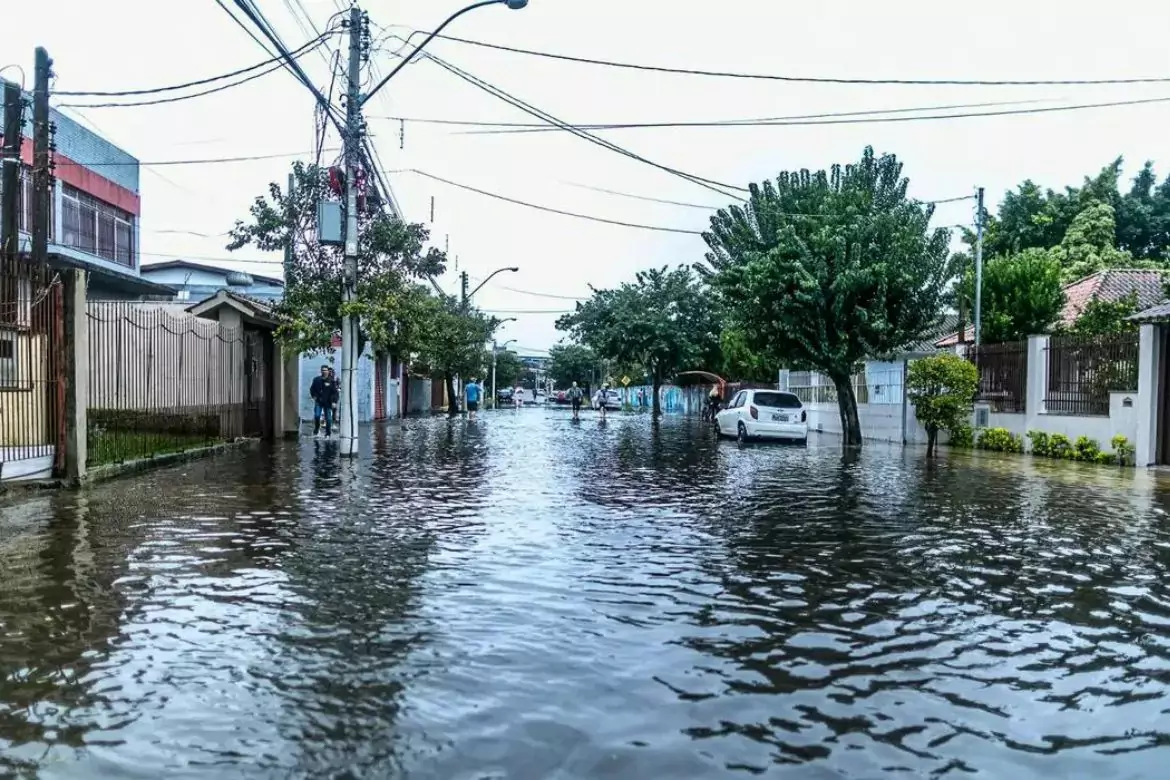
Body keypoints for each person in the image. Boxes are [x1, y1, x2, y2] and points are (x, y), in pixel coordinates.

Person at [310, 364, 339, 437]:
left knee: (328, 419)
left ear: (328, 371)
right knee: (317, 416)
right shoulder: (316, 379)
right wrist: (314, 396)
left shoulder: (331, 381)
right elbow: (312, 389)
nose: (324, 372)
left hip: (328, 402)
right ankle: (316, 429)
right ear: (321, 371)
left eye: (325, 370)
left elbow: (335, 392)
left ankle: (328, 433)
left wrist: (334, 402)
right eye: (323, 370)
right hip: (319, 401)